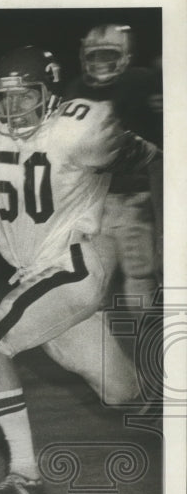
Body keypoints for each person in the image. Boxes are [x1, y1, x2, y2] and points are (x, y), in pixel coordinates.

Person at [0, 46, 160, 494]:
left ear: (49, 92)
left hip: (76, 262)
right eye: (3, 98)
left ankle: (24, 475)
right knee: (120, 392)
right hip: (37, 274)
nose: (12, 109)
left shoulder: (81, 126)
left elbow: (158, 158)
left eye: (25, 96)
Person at [63, 24, 163, 303]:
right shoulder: (76, 89)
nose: (100, 63)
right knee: (92, 276)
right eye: (94, 56)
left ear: (126, 57)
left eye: (108, 55)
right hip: (95, 200)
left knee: (140, 272)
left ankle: (146, 338)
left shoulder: (143, 84)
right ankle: (98, 341)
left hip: (135, 198)